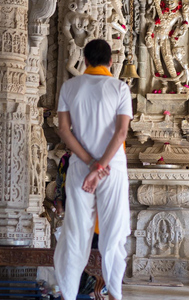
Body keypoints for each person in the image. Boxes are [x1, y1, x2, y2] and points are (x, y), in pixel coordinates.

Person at [54, 39, 132, 300]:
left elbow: (64, 130)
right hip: (113, 169)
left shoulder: (70, 87)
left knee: (76, 232)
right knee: (114, 233)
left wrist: (90, 165)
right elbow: (121, 132)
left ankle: (67, 293)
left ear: (84, 60)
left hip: (80, 168)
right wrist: (101, 167)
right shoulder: (120, 88)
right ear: (111, 62)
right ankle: (114, 295)